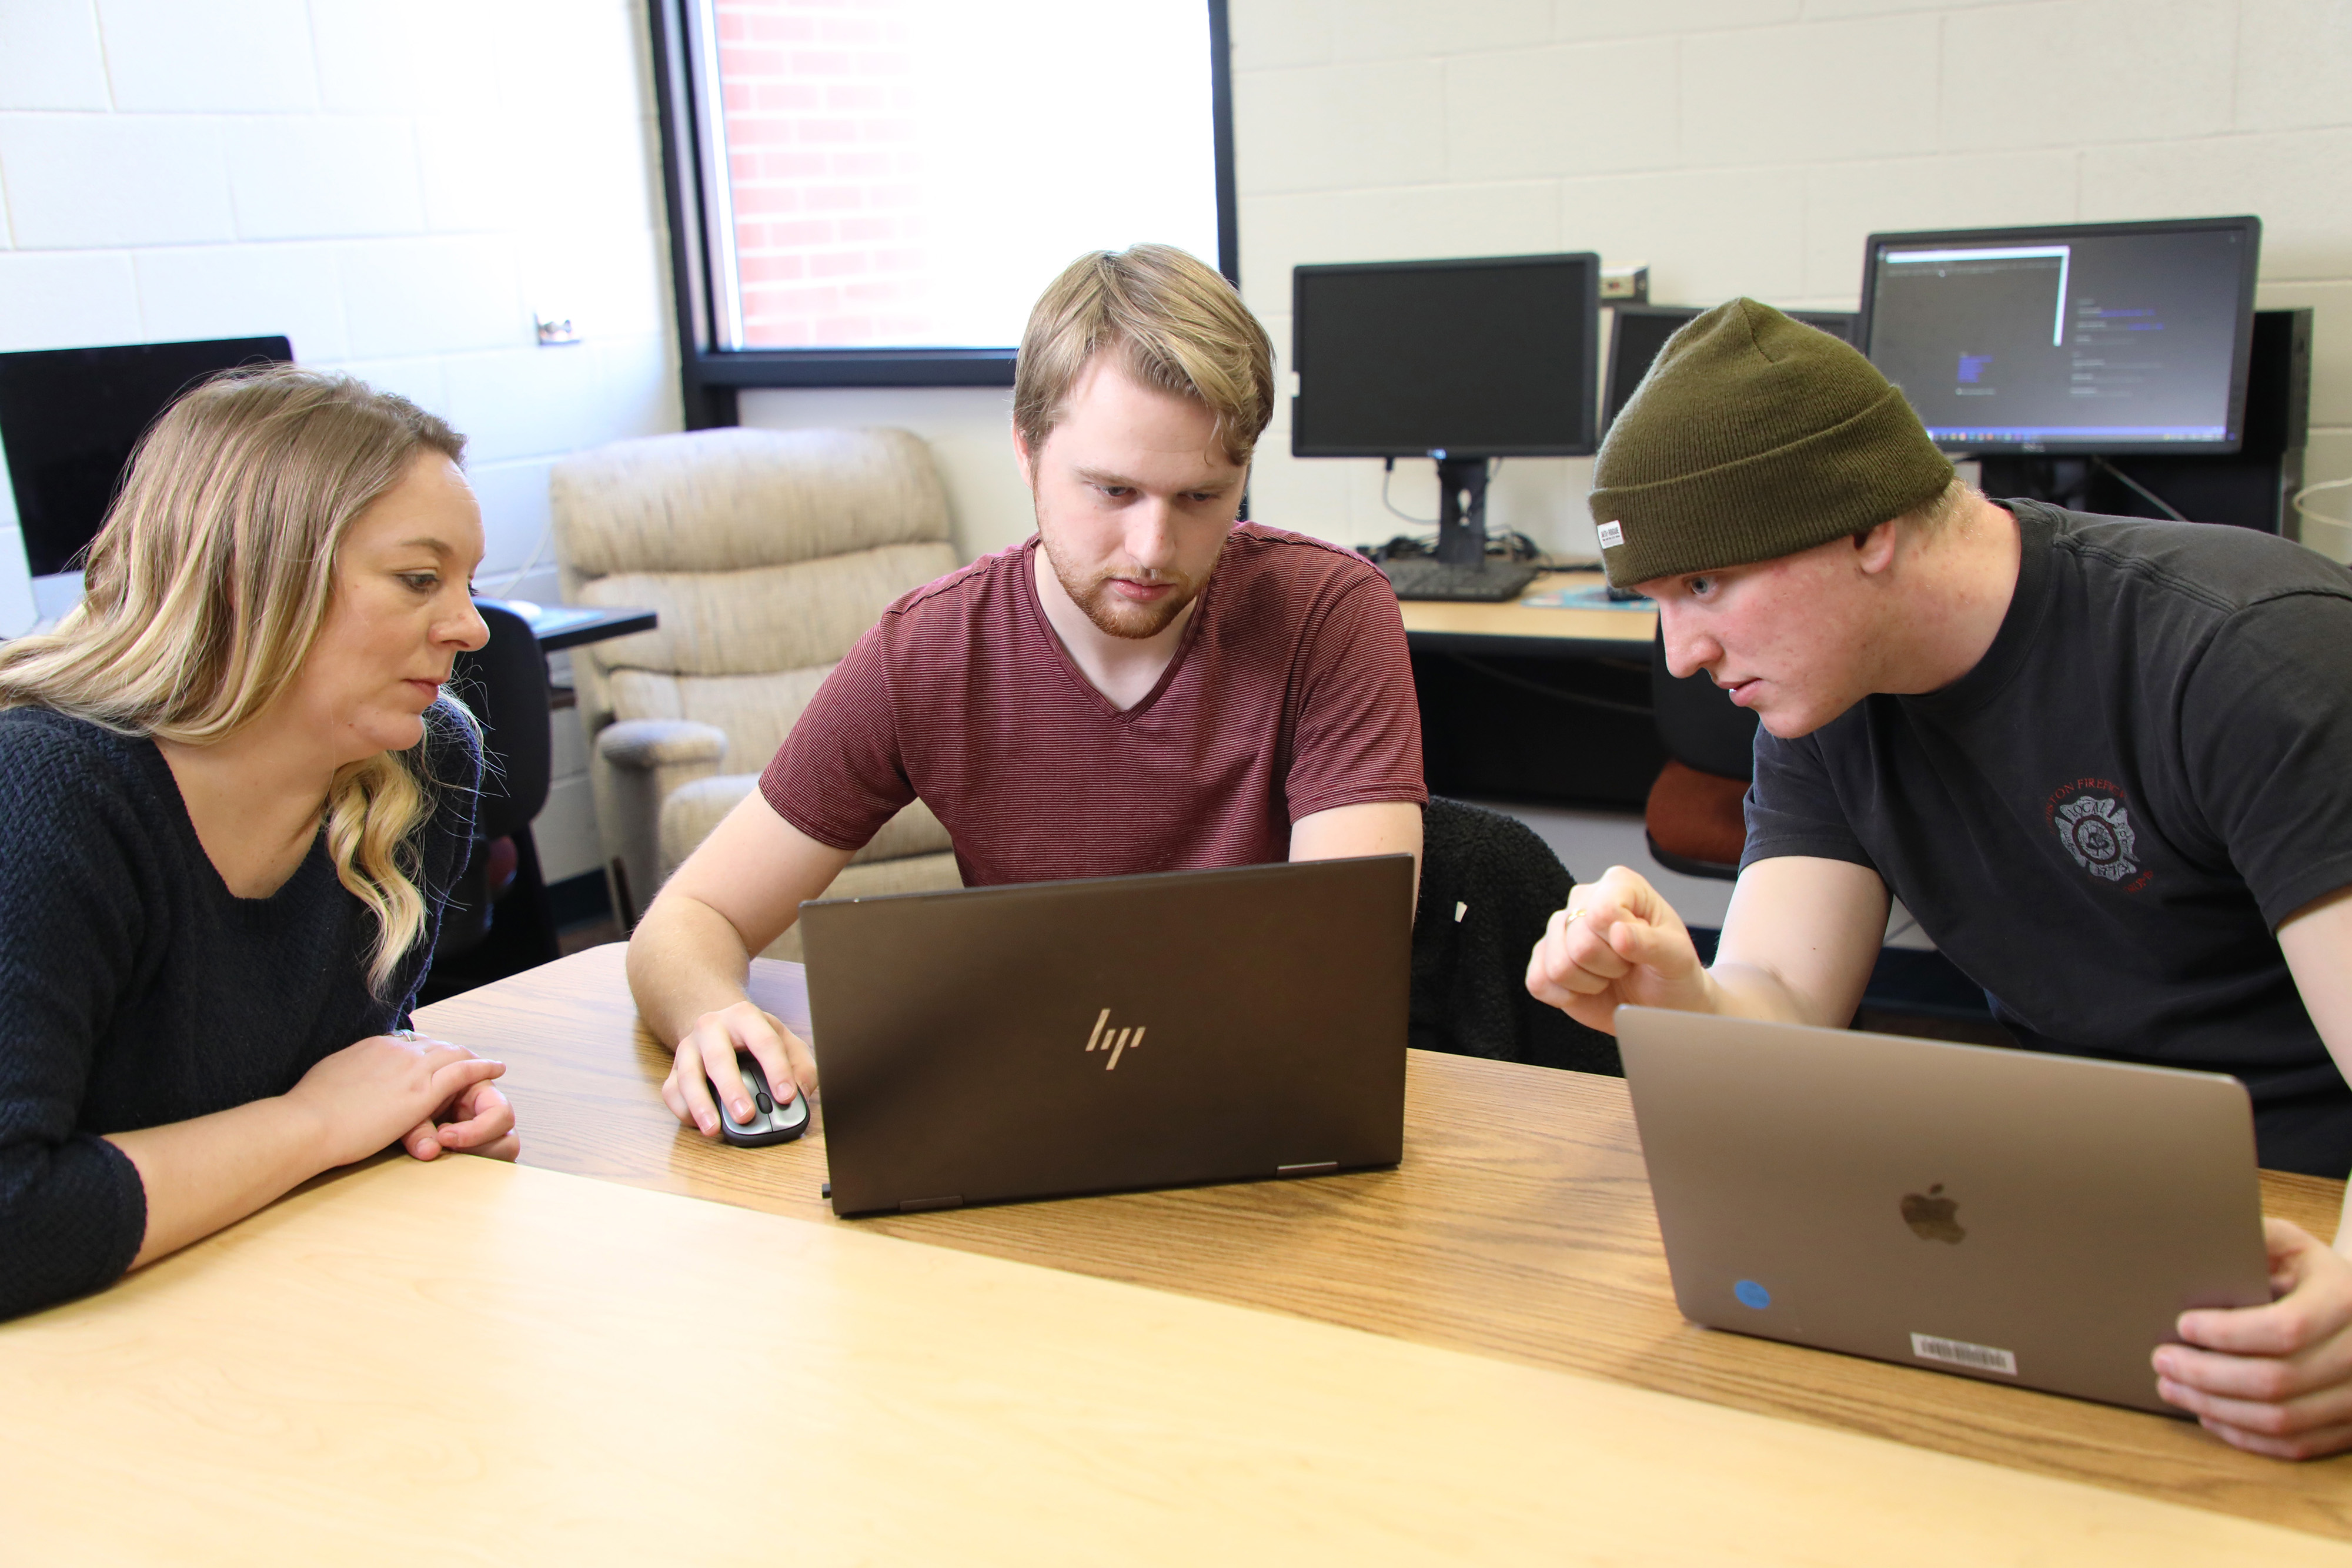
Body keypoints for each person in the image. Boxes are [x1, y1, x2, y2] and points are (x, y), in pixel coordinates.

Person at [1524, 297, 2352, 1459]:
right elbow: (1777, 998)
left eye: (1703, 584)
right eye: (1653, 601)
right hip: (2073, 1209)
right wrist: (1674, 992)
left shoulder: (2240, 655)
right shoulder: (1823, 694)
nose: (1680, 654)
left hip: (2307, 1206)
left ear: (1867, 529)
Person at [632, 244, 1426, 1135]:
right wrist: (712, 1017)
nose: (1153, 547)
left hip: (1262, 1108)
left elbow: (1339, 962)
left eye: (1202, 497)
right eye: (1111, 490)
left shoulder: (1330, 614)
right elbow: (687, 920)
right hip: (1044, 1115)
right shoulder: (928, 651)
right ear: (1026, 450)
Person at [0, 367, 519, 1321]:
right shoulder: (43, 790)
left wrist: (405, 1096)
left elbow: (316, 1074)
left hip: (250, 1294)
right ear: (256, 573)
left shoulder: (422, 762)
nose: (470, 627)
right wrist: (316, 1124)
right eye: (418, 579)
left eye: (466, 584)